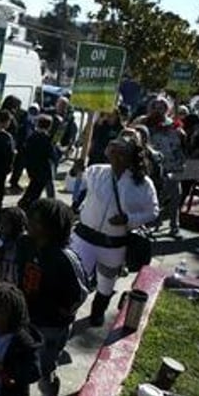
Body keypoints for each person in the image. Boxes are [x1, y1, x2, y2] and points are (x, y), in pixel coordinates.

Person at [70, 135, 158, 327]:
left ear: (131, 157)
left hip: (113, 244)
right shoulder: (96, 171)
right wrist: (75, 171)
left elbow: (152, 212)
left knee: (106, 282)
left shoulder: (142, 184)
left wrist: (128, 219)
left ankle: (98, 311)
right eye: (113, 151)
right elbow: (74, 186)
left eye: (121, 153)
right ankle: (67, 314)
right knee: (75, 278)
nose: (116, 156)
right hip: (84, 238)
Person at [15, 199, 80, 396]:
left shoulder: (64, 258)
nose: (29, 223)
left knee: (43, 367)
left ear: (50, 228)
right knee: (18, 360)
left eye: (35, 221)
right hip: (25, 317)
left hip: (51, 326)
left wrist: (64, 312)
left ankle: (49, 391)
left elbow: (79, 293)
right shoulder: (25, 244)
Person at [137, 96, 186, 236]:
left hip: (173, 165)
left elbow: (181, 144)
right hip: (153, 167)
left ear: (166, 109)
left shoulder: (174, 125)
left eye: (162, 107)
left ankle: (174, 227)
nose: (158, 110)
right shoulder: (144, 122)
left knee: (176, 196)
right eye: (156, 107)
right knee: (156, 197)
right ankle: (153, 224)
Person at [17, 115, 56, 210]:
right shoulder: (46, 139)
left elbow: (26, 150)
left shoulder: (32, 136)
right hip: (43, 167)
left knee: (33, 185)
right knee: (37, 188)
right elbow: (51, 154)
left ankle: (24, 202)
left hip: (32, 166)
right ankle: (29, 205)